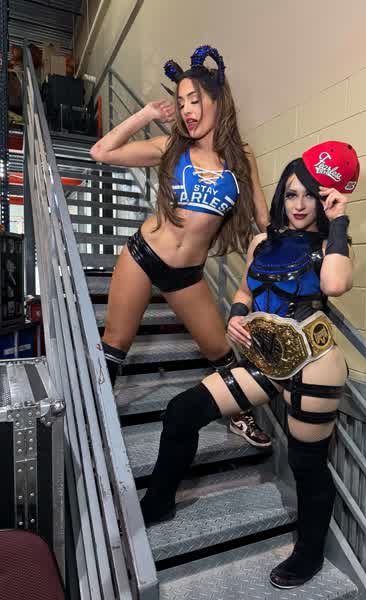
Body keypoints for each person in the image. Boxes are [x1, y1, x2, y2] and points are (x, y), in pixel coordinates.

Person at [139, 140, 359, 589]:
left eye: (311, 195)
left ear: (325, 198)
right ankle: (158, 502)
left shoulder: (332, 245)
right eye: (292, 194)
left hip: (314, 364)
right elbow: (244, 291)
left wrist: (339, 220)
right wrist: (237, 316)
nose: (300, 204)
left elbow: (335, 285)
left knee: (306, 464)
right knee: (182, 411)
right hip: (266, 360)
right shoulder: (263, 241)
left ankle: (309, 554)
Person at [90, 45, 271, 447]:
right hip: (143, 256)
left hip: (187, 273)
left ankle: (238, 413)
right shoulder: (172, 147)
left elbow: (263, 219)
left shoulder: (242, 157)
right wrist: (147, 115)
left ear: (217, 100)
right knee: (115, 344)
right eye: (181, 102)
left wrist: (292, 248)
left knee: (220, 349)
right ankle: (92, 413)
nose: (186, 109)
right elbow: (101, 151)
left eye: (194, 99)